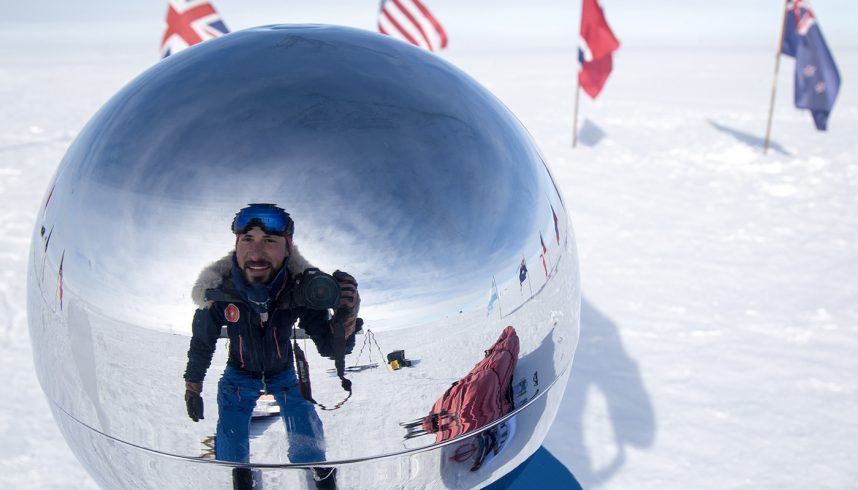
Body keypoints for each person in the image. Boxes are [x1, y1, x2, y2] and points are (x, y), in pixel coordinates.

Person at [183, 203, 360, 490]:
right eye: (247, 240)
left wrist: (346, 321)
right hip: (239, 373)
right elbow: (202, 342)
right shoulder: (218, 292)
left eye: (269, 241)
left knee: (305, 420)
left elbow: (330, 348)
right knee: (230, 431)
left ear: (287, 247)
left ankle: (316, 468)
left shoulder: (301, 290)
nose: (256, 252)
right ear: (236, 245)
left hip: (284, 372)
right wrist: (193, 385)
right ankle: (238, 472)